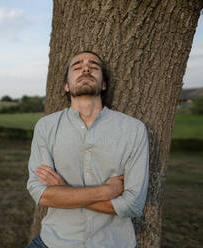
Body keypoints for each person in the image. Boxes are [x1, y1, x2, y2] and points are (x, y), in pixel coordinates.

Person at [26, 51, 149, 248]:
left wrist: (63, 191)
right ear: (67, 85)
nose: (86, 68)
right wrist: (107, 191)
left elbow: (133, 204)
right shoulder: (46, 126)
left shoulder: (133, 129)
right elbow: (40, 193)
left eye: (94, 66)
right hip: (53, 242)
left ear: (103, 84)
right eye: (76, 67)